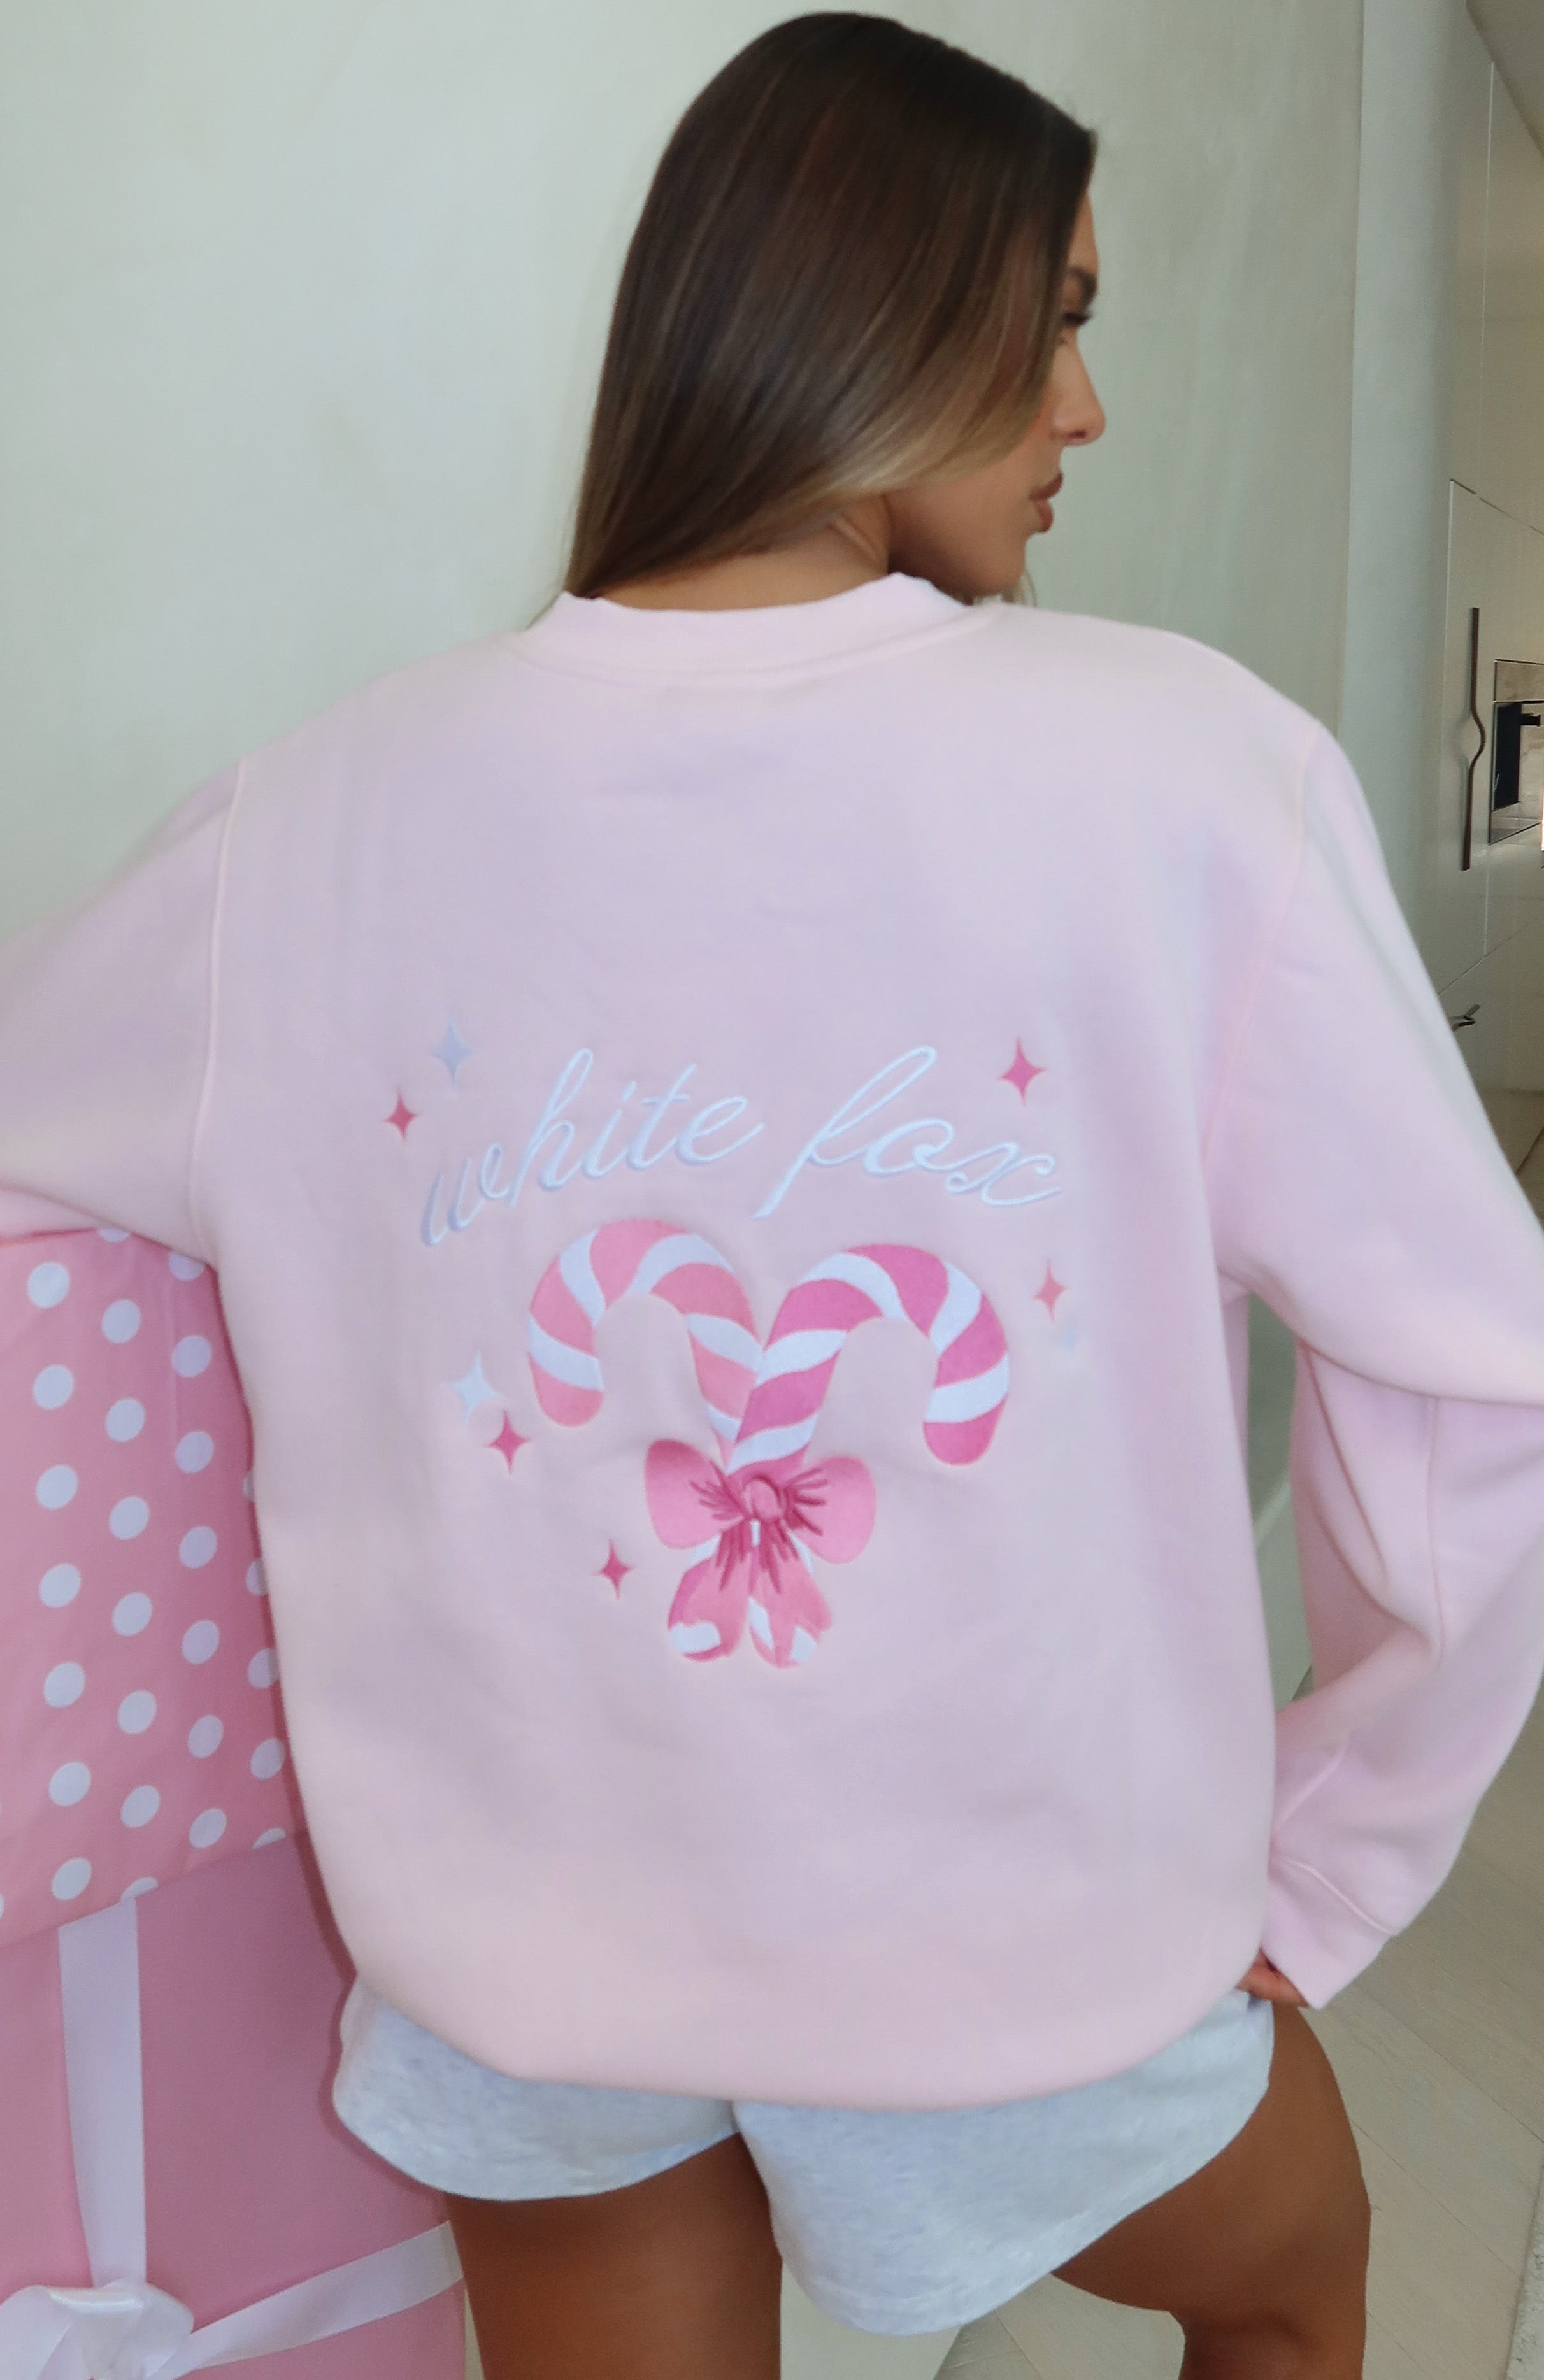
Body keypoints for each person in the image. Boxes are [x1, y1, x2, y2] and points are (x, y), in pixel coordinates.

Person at [3, 13, 1543, 2379]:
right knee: (1294, 2282)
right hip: (1026, 1949)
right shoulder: (1189, 781)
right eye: (1060, 322)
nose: (1089, 410)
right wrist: (1335, 1848)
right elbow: (1475, 1389)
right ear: (876, 311)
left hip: (529, 1956)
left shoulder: (298, 832)